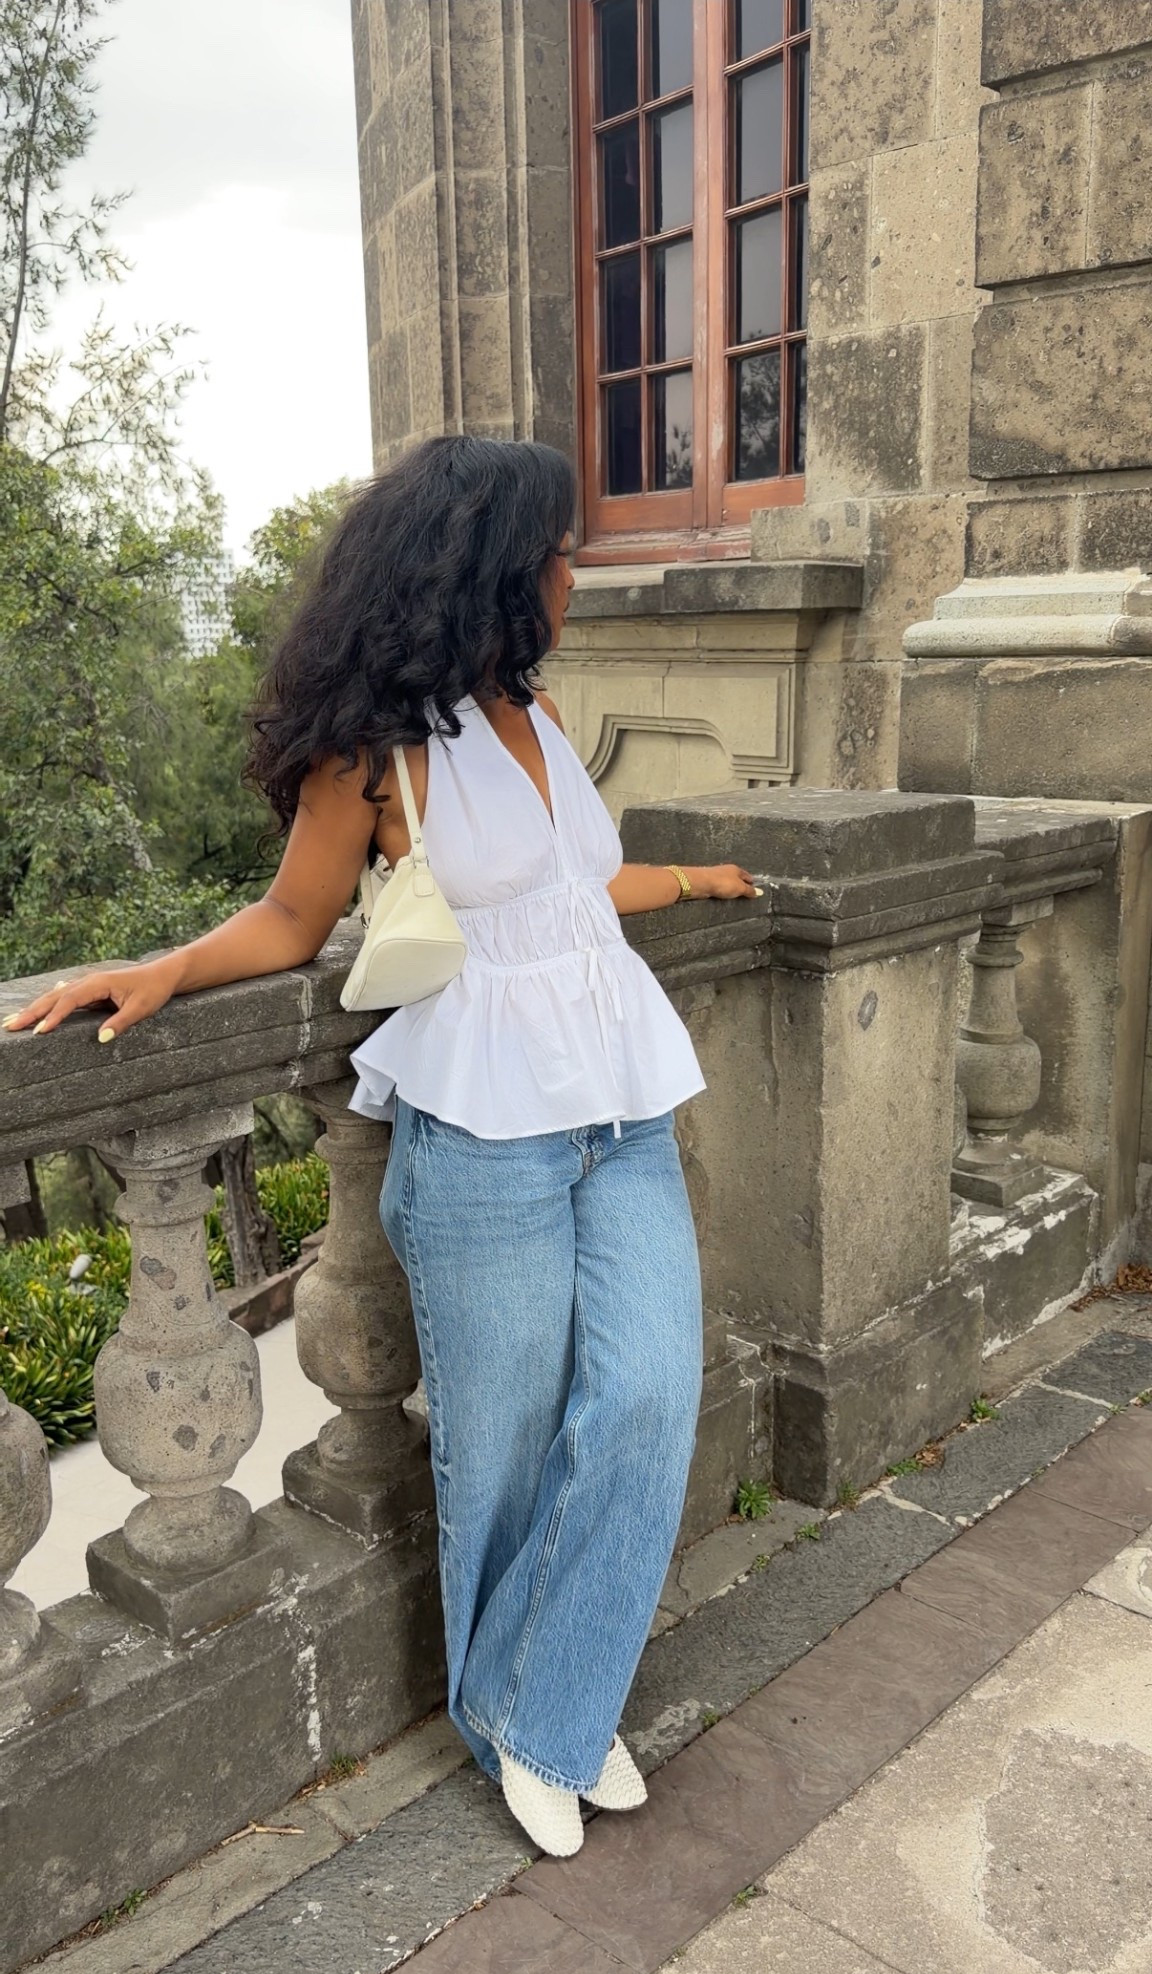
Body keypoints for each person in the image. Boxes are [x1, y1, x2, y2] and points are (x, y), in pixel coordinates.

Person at [3, 436, 761, 1858]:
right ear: (491, 570)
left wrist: (705, 875)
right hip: (484, 1140)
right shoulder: (384, 750)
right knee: (507, 1441)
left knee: (651, 1395)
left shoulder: (537, 711)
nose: (574, 576)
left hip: (620, 1114)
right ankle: (530, 1724)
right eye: (559, 555)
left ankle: (539, 1702)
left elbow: (581, 887)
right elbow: (296, 923)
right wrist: (161, 969)